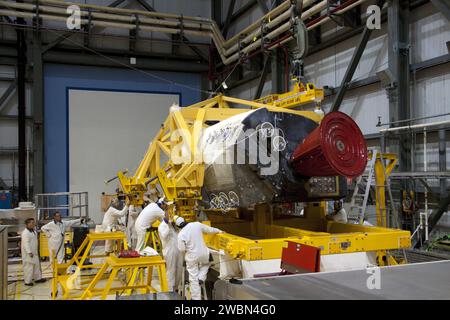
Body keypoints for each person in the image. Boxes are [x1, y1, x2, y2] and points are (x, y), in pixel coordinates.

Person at [175, 216, 223, 300]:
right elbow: (210, 230)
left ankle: (196, 298)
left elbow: (182, 249)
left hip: (192, 258)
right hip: (204, 254)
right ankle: (201, 277)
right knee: (207, 263)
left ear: (178, 226)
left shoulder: (181, 234)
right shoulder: (196, 225)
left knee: (193, 278)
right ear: (185, 220)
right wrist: (219, 231)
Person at [158, 218, 183, 292]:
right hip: (169, 251)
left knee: (179, 270)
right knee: (171, 271)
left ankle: (175, 289)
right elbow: (164, 236)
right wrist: (168, 224)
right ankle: (169, 291)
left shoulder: (173, 225)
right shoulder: (162, 226)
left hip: (178, 250)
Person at [21, 218, 46, 286]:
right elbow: (26, 243)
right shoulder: (25, 233)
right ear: (27, 224)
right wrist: (29, 252)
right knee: (29, 267)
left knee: (36, 266)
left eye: (33, 222)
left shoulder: (33, 231)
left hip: (34, 252)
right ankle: (28, 281)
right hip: (29, 254)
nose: (33, 224)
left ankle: (38, 279)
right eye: (31, 223)